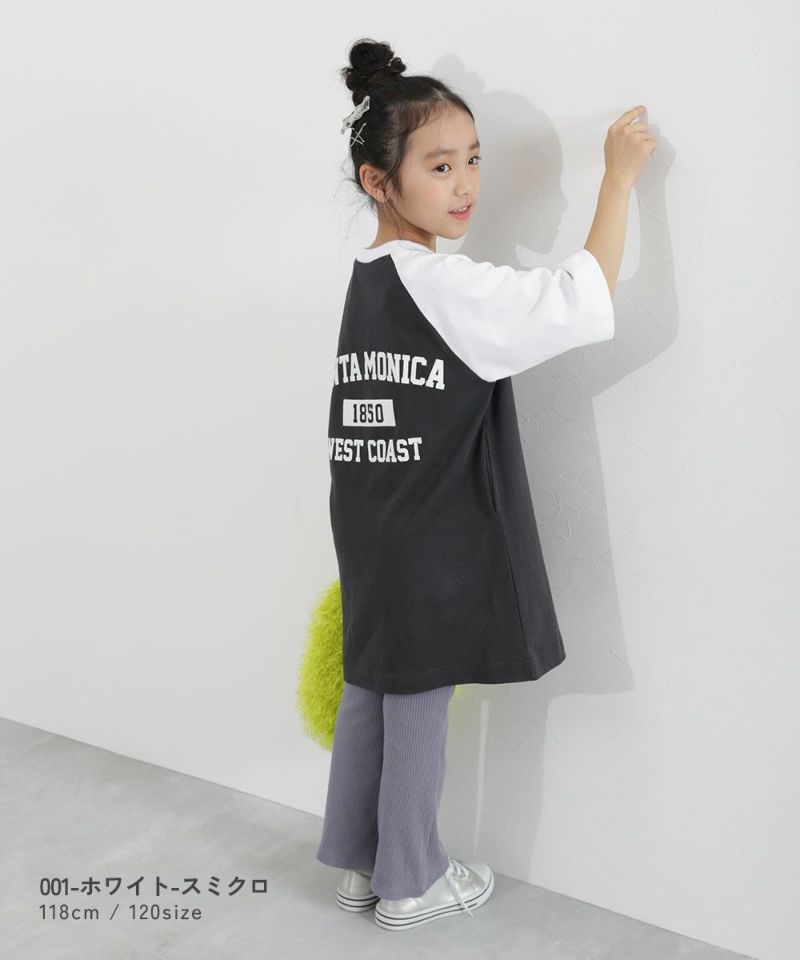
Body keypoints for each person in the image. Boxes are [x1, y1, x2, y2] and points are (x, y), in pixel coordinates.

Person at [316, 37, 657, 931]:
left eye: (473, 160)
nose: (465, 184)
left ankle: (361, 861)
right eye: (439, 166)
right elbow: (583, 301)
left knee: (373, 683)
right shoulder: (444, 284)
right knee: (418, 695)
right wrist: (619, 180)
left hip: (370, 517)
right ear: (378, 181)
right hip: (427, 529)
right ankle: (411, 881)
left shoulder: (371, 278)